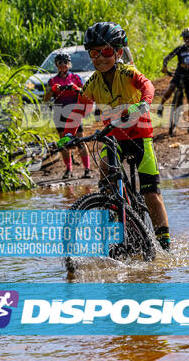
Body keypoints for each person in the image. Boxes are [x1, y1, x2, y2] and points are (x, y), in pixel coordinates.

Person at [63, 21, 171, 251]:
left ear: (119, 52)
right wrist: (68, 135)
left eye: (107, 52)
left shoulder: (127, 72)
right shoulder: (92, 82)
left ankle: (165, 244)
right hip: (112, 138)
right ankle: (115, 209)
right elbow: (78, 110)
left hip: (140, 136)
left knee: (151, 193)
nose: (100, 58)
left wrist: (144, 104)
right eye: (94, 53)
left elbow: (148, 86)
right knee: (104, 168)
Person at [43, 52, 91, 179]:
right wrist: (52, 89)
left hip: (74, 112)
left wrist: (75, 88)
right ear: (56, 65)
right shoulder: (52, 80)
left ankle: (87, 169)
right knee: (64, 142)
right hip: (59, 113)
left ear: (69, 64)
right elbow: (46, 99)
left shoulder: (75, 77)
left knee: (80, 141)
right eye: (60, 63)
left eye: (65, 62)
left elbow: (85, 94)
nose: (63, 65)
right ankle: (68, 170)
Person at [157, 27, 189, 134]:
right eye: (184, 37)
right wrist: (164, 66)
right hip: (179, 75)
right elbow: (167, 57)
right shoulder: (180, 49)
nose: (186, 39)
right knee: (170, 89)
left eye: (188, 37)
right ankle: (161, 105)